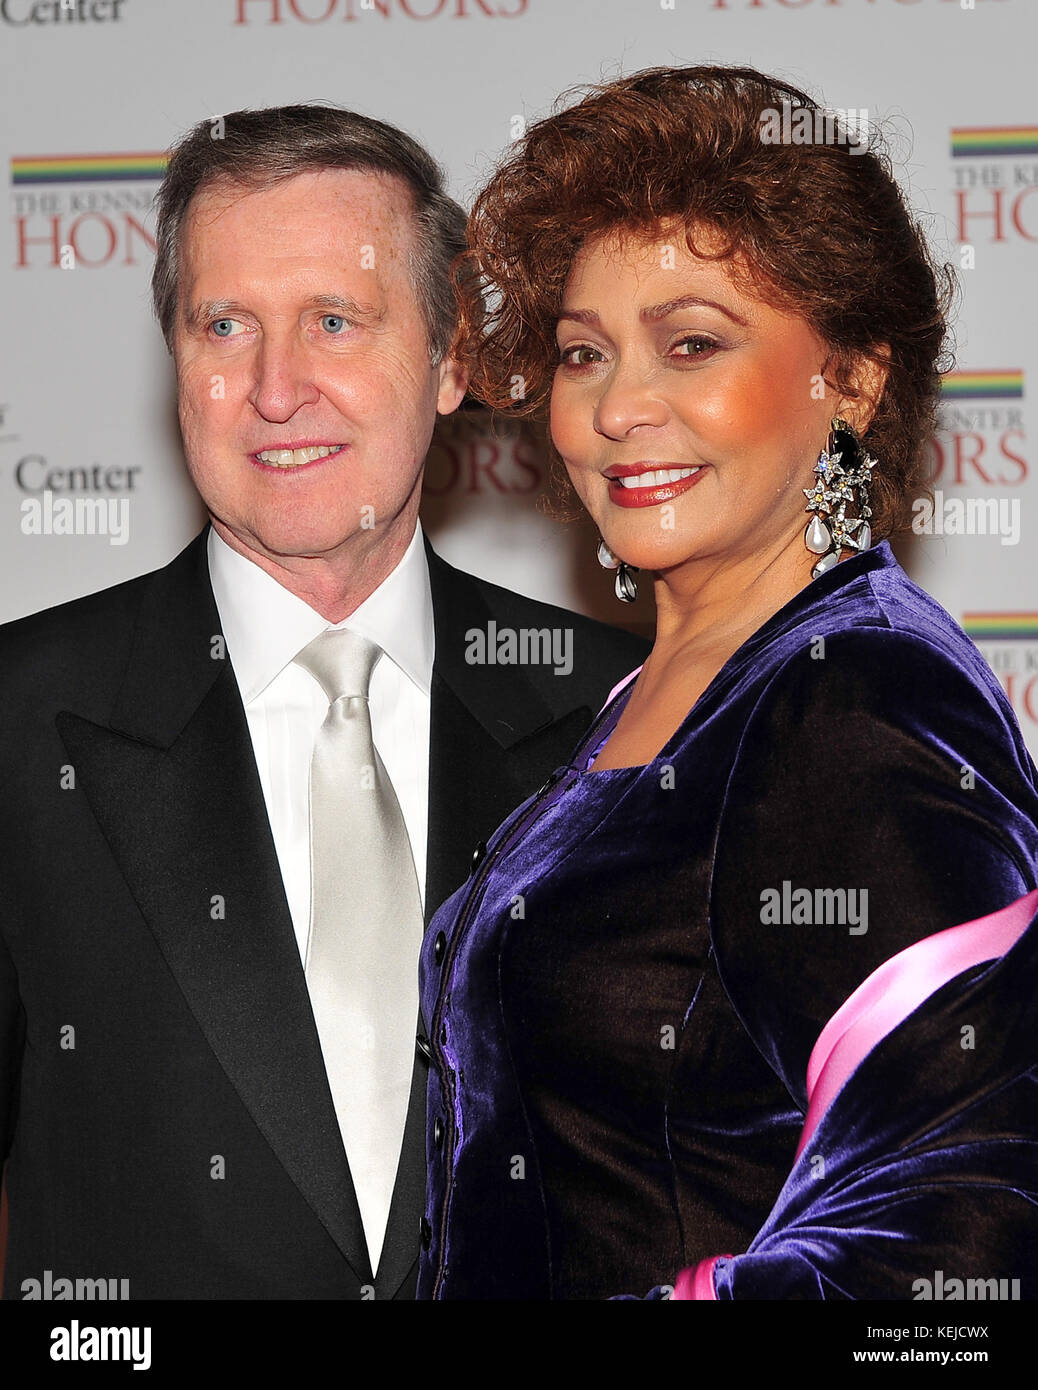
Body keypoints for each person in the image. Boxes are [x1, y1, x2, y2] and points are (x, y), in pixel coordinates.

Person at [0, 104, 647, 1301]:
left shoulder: (633, 716)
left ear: (452, 361)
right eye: (225, 324)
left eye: (335, 323)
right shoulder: (21, 723)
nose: (275, 388)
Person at [417, 66, 1038, 1300]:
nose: (618, 408)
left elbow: (970, 1235)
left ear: (851, 382)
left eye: (690, 344)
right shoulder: (670, 688)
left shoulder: (855, 695)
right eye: (583, 354)